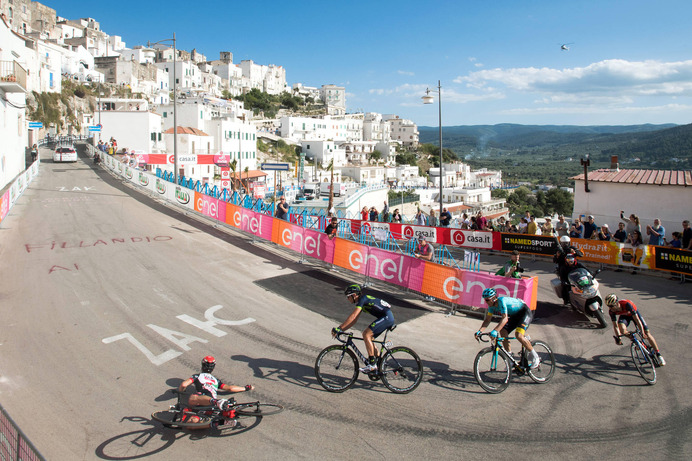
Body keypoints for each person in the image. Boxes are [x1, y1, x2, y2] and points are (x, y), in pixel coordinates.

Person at [333, 284, 395, 373]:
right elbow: (354, 321)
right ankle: (379, 362)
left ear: (354, 295)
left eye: (348, 296)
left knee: (366, 334)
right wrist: (342, 329)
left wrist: (339, 328)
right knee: (370, 338)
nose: (348, 299)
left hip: (387, 317)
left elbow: (353, 316)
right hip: (386, 317)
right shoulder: (363, 301)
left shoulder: (363, 299)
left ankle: (372, 365)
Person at [475, 288, 541, 368]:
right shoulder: (491, 306)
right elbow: (487, 320)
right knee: (503, 331)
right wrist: (479, 331)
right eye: (485, 300)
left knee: (518, 335)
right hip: (515, 316)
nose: (486, 302)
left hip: (524, 312)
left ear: (493, 298)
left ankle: (536, 357)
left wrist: (495, 331)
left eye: (487, 300)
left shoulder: (502, 301)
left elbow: (505, 318)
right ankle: (510, 357)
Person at [178, 356, 254, 422]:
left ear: (202, 365)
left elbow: (183, 384)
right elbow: (230, 388)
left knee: (192, 399)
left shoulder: (197, 376)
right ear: (213, 368)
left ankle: (217, 404)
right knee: (194, 420)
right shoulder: (216, 380)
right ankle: (218, 408)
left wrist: (182, 392)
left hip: (201, 400)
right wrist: (245, 388)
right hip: (210, 404)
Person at [605, 294, 665, 366]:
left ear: (617, 303)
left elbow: (637, 320)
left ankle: (659, 355)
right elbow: (615, 326)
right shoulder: (611, 311)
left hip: (634, 316)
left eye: (611, 306)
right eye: (608, 306)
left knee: (647, 333)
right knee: (622, 330)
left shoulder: (627, 304)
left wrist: (642, 332)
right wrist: (619, 337)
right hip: (625, 316)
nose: (610, 308)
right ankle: (636, 342)